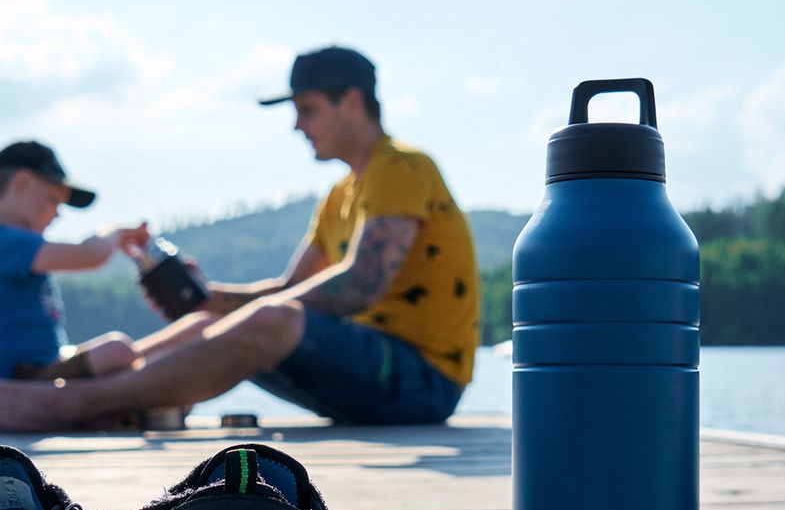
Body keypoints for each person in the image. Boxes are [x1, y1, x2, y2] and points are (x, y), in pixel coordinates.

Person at [0, 45, 480, 431]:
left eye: (307, 110)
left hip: (422, 380)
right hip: (367, 368)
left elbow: (359, 285)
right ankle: (105, 394)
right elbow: (287, 288)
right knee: (212, 318)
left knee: (269, 319)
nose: (297, 126)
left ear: (352, 102)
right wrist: (208, 299)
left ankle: (68, 405)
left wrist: (234, 309)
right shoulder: (338, 196)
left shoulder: (401, 165)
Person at [0, 140, 222, 386]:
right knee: (115, 351)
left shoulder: (20, 246)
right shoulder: (8, 242)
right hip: (22, 377)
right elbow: (88, 255)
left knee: (198, 326)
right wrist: (117, 234)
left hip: (47, 365)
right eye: (53, 199)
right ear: (22, 183)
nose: (57, 213)